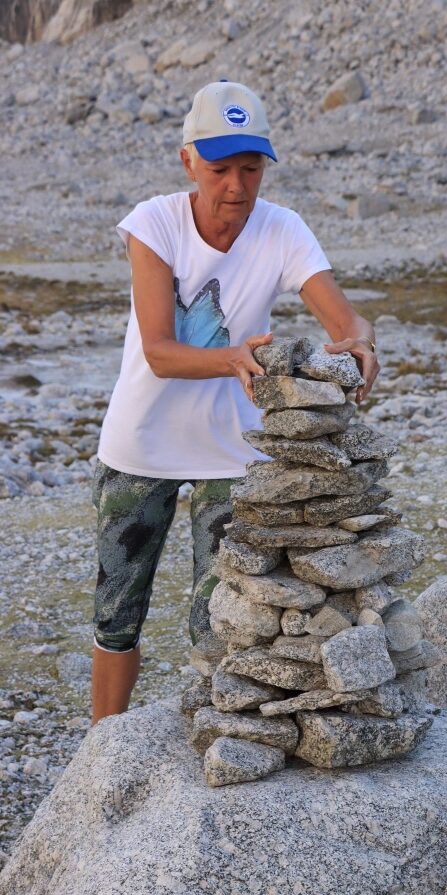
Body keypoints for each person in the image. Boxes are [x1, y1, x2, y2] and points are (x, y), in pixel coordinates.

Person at [91, 80, 380, 725]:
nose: (236, 186)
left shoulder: (284, 230)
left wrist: (359, 342)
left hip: (233, 451)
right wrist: (233, 358)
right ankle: (99, 753)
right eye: (220, 168)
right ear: (188, 160)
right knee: (117, 613)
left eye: (251, 169)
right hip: (140, 443)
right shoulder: (153, 223)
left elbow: (342, 318)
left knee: (221, 615)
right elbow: (160, 352)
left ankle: (215, 745)